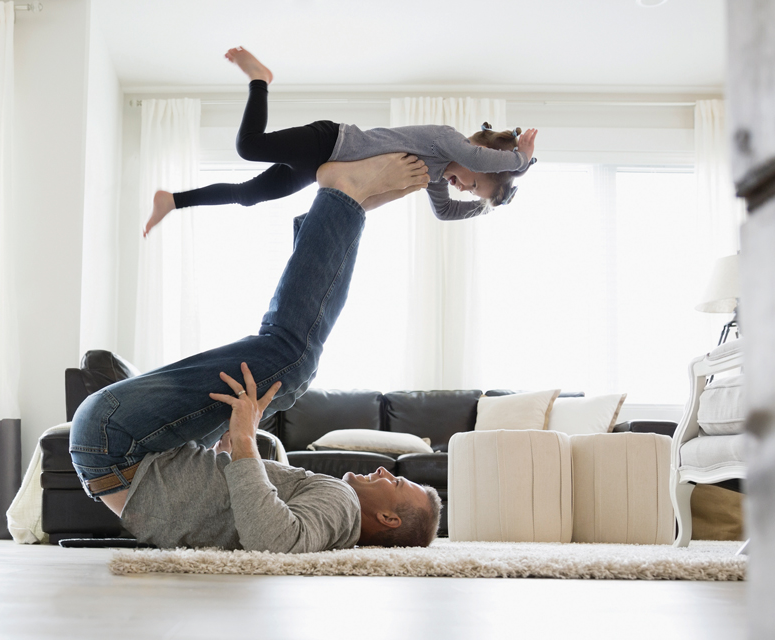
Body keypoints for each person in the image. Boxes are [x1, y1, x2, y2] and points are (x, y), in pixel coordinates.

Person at [71, 153, 441, 553]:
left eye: (397, 483)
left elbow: (274, 540)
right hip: (125, 452)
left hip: (119, 442)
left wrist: (246, 441)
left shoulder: (343, 504)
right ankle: (345, 207)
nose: (387, 471)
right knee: (287, 384)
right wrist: (228, 451)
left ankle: (343, 199)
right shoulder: (338, 516)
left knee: (291, 358)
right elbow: (224, 510)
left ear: (389, 519)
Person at [142, 46, 539, 237]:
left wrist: (486, 210)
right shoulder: (445, 142)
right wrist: (519, 163)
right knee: (249, 146)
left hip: (317, 169)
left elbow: (445, 213)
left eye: (471, 192)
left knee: (249, 196)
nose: (463, 188)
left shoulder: (432, 176)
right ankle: (260, 78)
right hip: (330, 141)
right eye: (473, 183)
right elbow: (484, 162)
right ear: (483, 156)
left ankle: (173, 201)